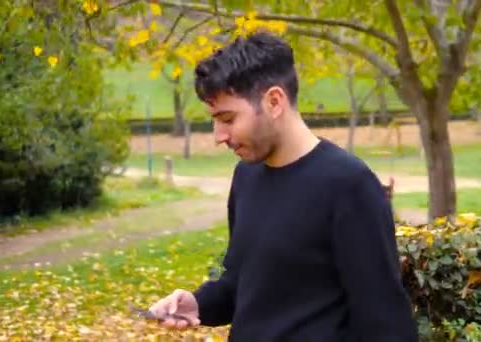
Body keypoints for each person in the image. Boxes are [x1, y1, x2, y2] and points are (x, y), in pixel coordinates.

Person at [147, 31, 418, 341]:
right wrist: (198, 303)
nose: (218, 136)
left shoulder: (348, 186)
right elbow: (243, 284)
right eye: (214, 119)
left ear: (274, 101)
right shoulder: (246, 178)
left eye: (228, 118)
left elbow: (385, 322)